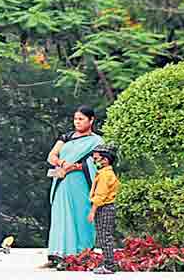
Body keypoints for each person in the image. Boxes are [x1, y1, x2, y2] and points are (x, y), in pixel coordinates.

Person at [46, 106, 103, 263]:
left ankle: (81, 252)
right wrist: (62, 162)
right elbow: (51, 156)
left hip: (81, 182)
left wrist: (76, 167)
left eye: (81, 119)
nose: (77, 122)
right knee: (61, 215)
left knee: (81, 214)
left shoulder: (97, 141)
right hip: (63, 182)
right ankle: (58, 253)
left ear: (91, 121)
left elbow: (98, 162)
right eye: (75, 119)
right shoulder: (67, 137)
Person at [87, 144, 121, 274]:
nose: (95, 162)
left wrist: (93, 211)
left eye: (96, 159)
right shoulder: (103, 173)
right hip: (104, 207)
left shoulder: (105, 175)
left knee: (105, 237)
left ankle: (109, 266)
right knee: (102, 236)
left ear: (105, 160)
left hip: (104, 208)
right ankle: (107, 262)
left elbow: (100, 195)